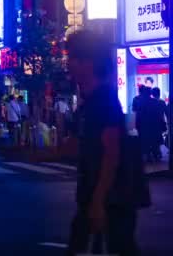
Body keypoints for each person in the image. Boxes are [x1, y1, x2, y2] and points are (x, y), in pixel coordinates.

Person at [66, 30, 145, 256]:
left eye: (72, 57)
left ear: (87, 62)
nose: (68, 64)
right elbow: (76, 146)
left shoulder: (104, 101)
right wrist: (29, 155)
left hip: (111, 203)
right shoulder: (89, 103)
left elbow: (112, 154)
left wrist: (98, 201)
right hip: (94, 200)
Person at [151, 87, 167, 160]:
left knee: (153, 138)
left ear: (152, 94)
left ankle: (156, 152)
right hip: (160, 122)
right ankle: (158, 153)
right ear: (159, 93)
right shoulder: (162, 102)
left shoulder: (151, 102)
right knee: (158, 137)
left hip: (152, 123)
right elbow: (166, 113)